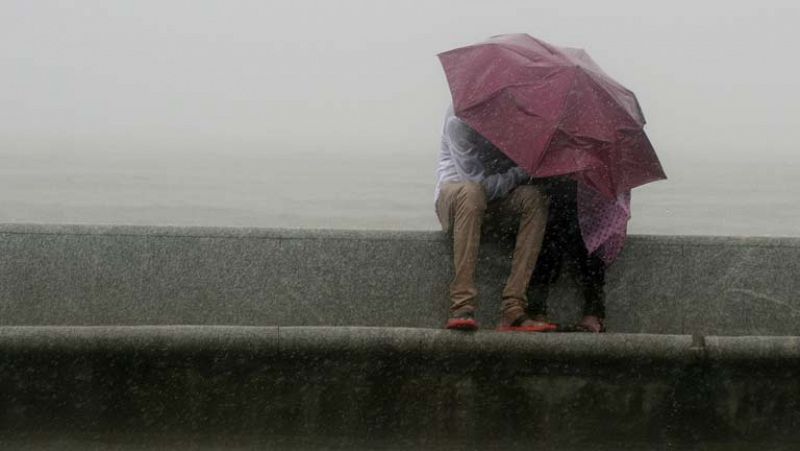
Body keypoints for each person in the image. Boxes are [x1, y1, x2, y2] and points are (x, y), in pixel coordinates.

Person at [435, 105, 552, 332]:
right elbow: (478, 184)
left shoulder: (516, 120)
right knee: (472, 192)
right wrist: (522, 171)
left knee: (534, 198)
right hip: (454, 196)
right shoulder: (459, 120)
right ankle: (462, 305)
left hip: (493, 202)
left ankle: (513, 308)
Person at [526, 178, 606, 333]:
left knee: (586, 223)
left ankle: (594, 310)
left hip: (589, 198)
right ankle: (537, 308)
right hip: (551, 197)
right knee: (556, 213)